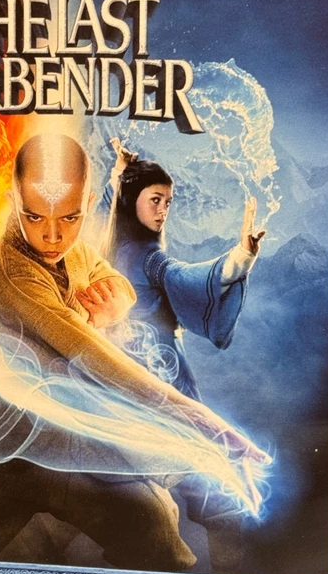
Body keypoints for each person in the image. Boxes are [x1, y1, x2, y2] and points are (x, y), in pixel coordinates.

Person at [0, 133, 269, 573]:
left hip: (76, 447)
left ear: (88, 204)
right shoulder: (11, 274)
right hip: (4, 453)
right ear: (13, 201)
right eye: (35, 216)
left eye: (70, 217)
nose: (53, 235)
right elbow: (99, 361)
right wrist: (208, 426)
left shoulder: (72, 252)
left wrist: (111, 308)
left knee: (160, 546)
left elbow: (117, 282)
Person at [104, 138, 264, 400]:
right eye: (155, 200)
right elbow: (189, 278)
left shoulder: (116, 238)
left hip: (125, 361)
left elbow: (110, 205)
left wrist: (121, 173)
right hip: (160, 365)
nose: (163, 211)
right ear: (131, 200)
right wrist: (243, 256)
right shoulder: (146, 257)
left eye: (167, 202)